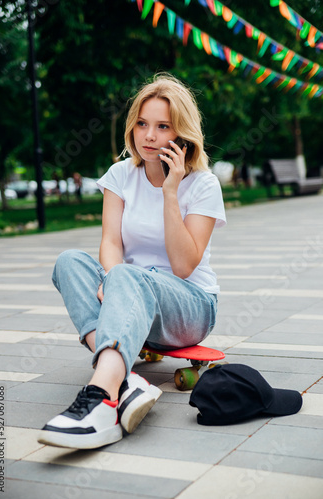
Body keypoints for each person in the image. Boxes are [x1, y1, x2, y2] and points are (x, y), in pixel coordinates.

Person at [38, 74, 226, 450]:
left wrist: (170, 192)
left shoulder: (203, 185)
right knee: (69, 261)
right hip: (129, 296)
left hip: (189, 306)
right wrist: (111, 277)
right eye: (141, 124)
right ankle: (126, 382)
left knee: (128, 274)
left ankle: (99, 400)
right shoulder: (121, 175)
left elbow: (185, 265)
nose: (149, 136)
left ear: (182, 132)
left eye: (162, 126)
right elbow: (110, 241)